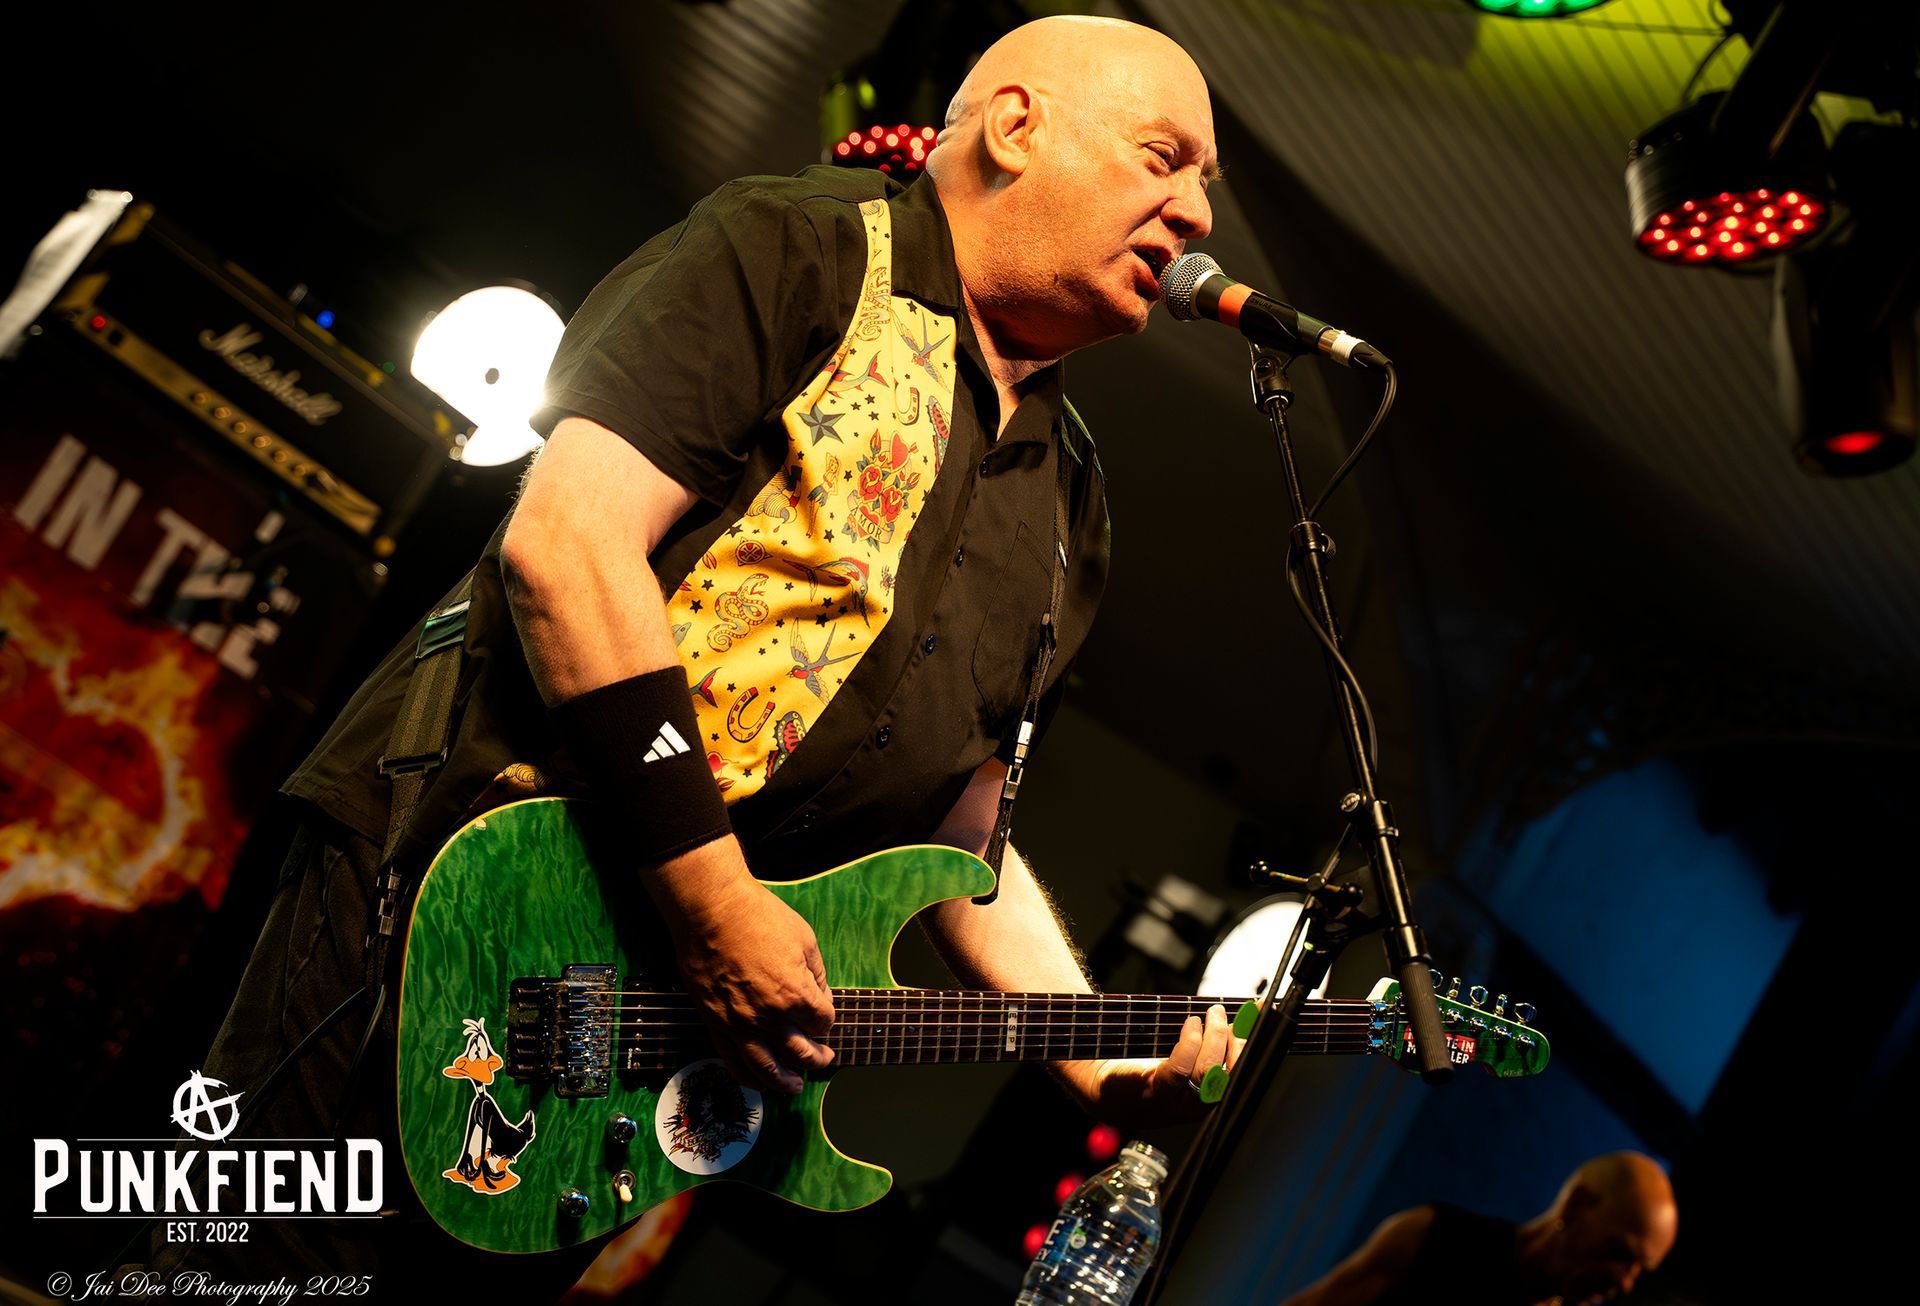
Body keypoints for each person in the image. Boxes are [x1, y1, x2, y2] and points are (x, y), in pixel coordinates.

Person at [141, 13, 1232, 1299]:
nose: (1197, 213)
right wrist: (716, 901)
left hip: (643, 1034)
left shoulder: (1070, 502)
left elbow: (960, 831)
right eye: (1165, 157)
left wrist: (1101, 1055)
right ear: (1014, 125)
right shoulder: (798, 247)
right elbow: (567, 546)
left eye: (1207, 182)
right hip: (453, 888)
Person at [1281, 1152, 1679, 1306]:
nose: (1625, 1283)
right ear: (1577, 1205)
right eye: (1620, 1253)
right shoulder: (1434, 1237)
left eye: (1640, 1271)